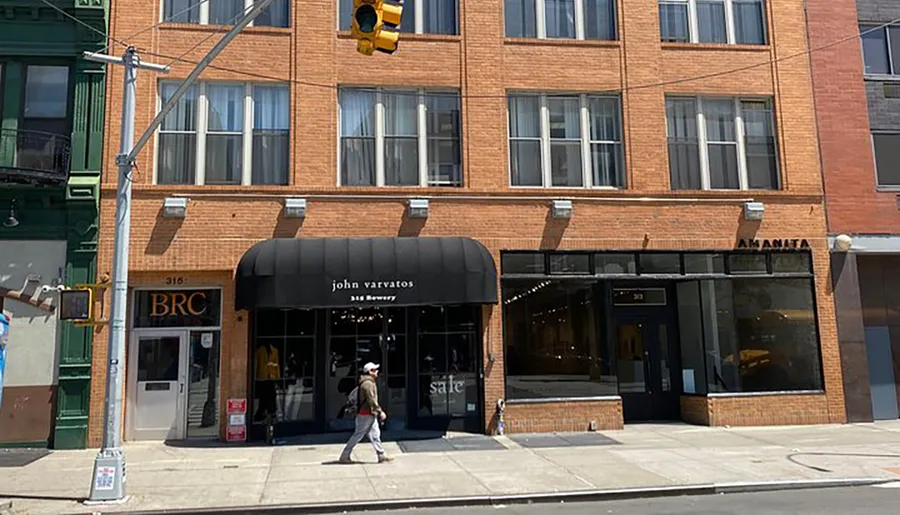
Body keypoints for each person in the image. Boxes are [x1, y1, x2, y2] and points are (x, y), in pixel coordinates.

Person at [339, 362, 393, 464]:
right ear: (370, 372)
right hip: (365, 414)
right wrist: (380, 411)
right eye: (374, 370)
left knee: (375, 434)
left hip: (369, 413)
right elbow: (371, 400)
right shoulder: (367, 384)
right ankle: (344, 455)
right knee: (358, 435)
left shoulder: (369, 382)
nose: (377, 371)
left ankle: (381, 455)